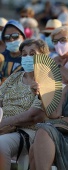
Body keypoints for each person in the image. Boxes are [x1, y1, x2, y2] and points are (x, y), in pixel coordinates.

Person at [0, 39, 49, 170]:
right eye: (24, 54)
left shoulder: (48, 82)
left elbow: (34, 116)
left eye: (32, 54)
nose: (27, 57)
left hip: (29, 131)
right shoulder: (14, 77)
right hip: (4, 127)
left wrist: (4, 123)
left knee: (0, 145)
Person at [0, 20, 26, 84]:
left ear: (23, 37)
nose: (11, 39)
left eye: (15, 36)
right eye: (7, 37)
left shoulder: (29, 59)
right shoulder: (1, 57)